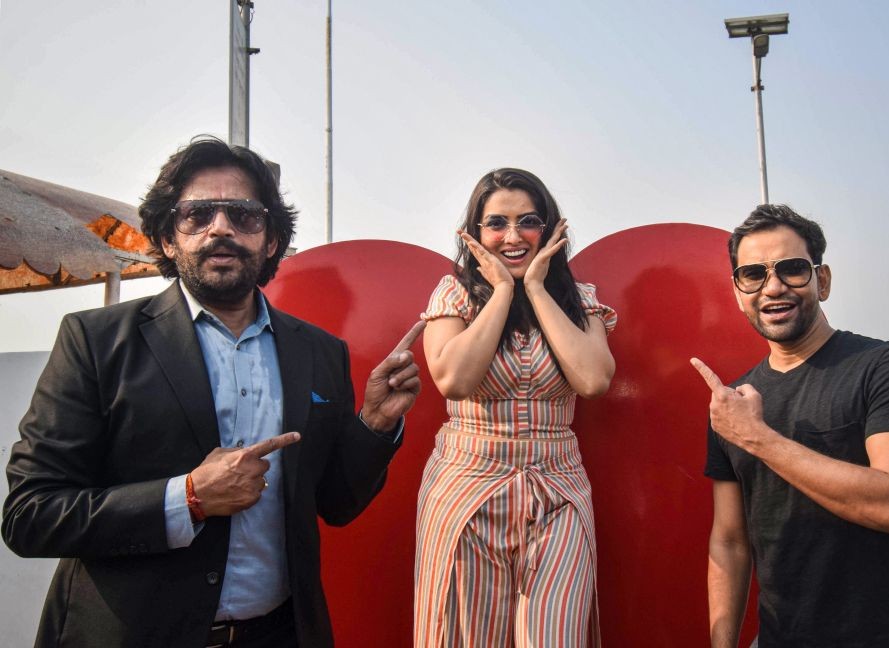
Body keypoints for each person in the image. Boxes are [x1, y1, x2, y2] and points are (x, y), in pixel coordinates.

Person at [2, 136, 423, 648]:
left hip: (279, 634)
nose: (220, 228)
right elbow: (31, 515)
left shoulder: (318, 353)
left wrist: (375, 423)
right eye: (197, 214)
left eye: (244, 215)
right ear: (166, 238)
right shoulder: (95, 341)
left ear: (270, 240)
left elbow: (335, 503)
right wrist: (189, 498)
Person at [691, 204, 889, 648]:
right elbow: (730, 542)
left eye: (791, 269)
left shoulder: (885, 368)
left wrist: (759, 439)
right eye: (753, 274)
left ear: (821, 281)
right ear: (737, 291)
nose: (773, 287)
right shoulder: (733, 404)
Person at [413, 168, 616, 647]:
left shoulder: (579, 300)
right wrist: (503, 291)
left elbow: (593, 379)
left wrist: (538, 290)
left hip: (559, 488)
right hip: (467, 486)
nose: (512, 236)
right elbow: (454, 381)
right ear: (474, 233)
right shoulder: (455, 294)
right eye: (495, 223)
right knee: (467, 636)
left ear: (549, 228)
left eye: (527, 221)